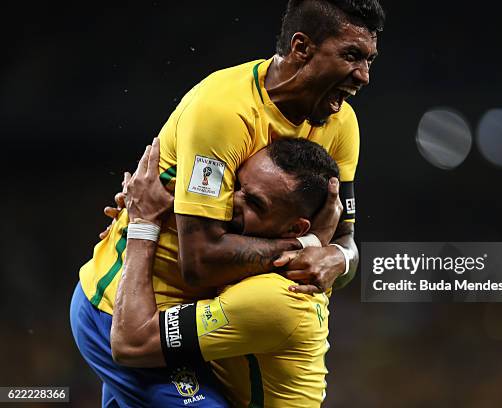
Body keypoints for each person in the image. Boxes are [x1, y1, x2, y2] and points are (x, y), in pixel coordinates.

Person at [73, 0, 385, 405]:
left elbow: (345, 244)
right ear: (301, 48)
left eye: (369, 59)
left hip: (206, 323)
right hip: (130, 312)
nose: (363, 75)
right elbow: (200, 261)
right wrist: (306, 247)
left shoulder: (342, 125)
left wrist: (338, 259)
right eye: (351, 55)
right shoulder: (223, 110)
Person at [111, 137, 340, 407]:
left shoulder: (273, 297)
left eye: (254, 203)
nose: (230, 200)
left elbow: (132, 343)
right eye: (236, 184)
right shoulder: (295, 262)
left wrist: (142, 225)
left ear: (294, 229)